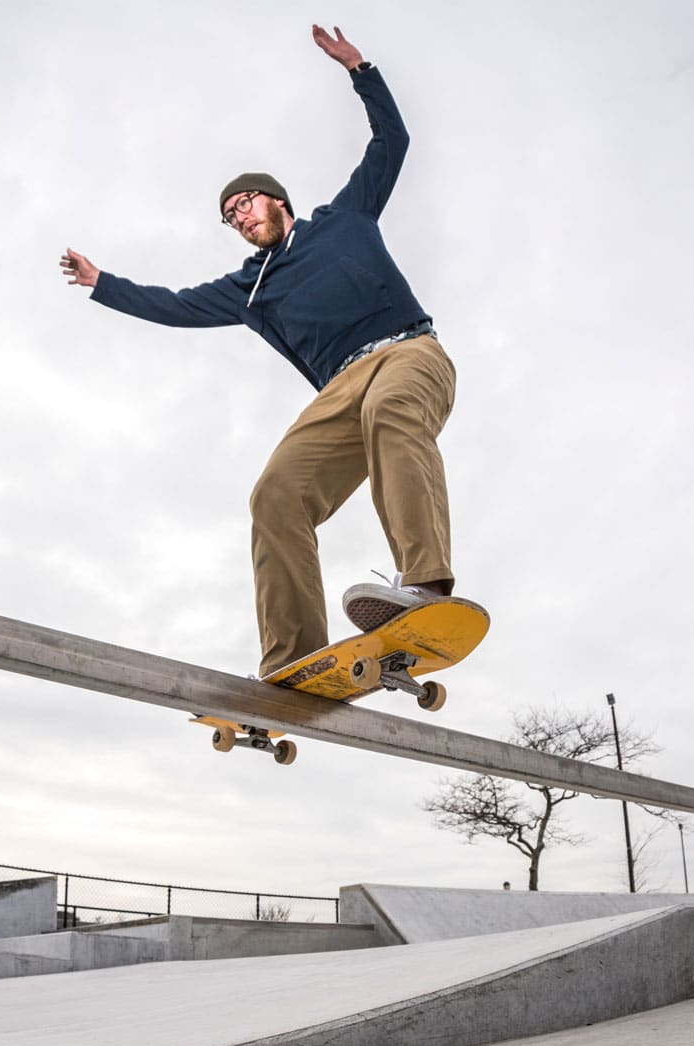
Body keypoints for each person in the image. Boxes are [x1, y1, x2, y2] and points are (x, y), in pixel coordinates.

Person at [60, 25, 467, 679]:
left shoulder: (346, 218)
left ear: (276, 199)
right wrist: (101, 283)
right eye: (229, 216)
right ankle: (295, 657)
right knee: (275, 494)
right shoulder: (247, 290)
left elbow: (392, 142)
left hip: (408, 354)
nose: (240, 217)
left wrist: (359, 68)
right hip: (339, 391)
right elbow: (172, 305)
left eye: (245, 202)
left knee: (391, 412)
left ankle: (423, 587)